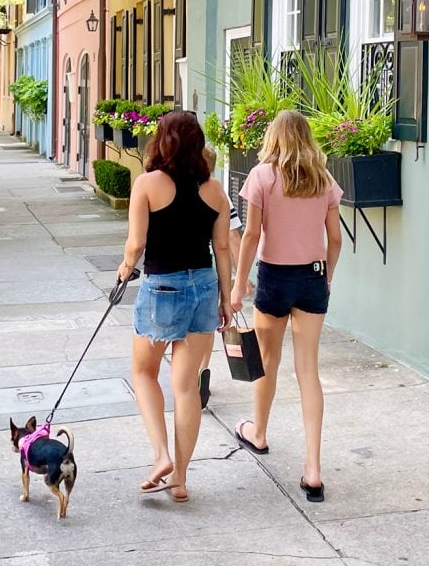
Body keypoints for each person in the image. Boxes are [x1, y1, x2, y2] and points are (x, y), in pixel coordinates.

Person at [118, 111, 233, 504]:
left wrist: (124, 268)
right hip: (203, 286)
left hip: (162, 287)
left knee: (144, 371)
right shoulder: (215, 190)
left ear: (162, 142)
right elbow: (222, 248)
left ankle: (161, 455)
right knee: (186, 389)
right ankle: (180, 479)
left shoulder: (147, 183)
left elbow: (136, 243)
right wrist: (226, 297)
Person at [229, 110, 343, 503]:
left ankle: (258, 432)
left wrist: (239, 283)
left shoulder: (262, 177)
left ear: (274, 138)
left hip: (275, 276)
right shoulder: (324, 180)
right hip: (312, 276)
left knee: (266, 360)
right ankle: (313, 469)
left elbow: (252, 233)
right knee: (308, 370)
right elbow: (336, 239)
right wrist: (325, 276)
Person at [197, 145, 252, 409]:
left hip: (177, 270)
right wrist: (241, 275)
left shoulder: (172, 187)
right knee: (207, 325)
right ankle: (202, 369)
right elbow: (230, 238)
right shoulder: (218, 193)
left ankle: (188, 373)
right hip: (208, 270)